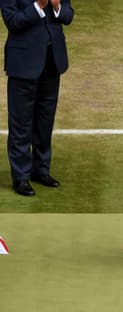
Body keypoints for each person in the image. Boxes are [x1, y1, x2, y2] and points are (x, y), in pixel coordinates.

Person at [0, 0, 74, 196]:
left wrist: (57, 6)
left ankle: (41, 170)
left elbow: (68, 15)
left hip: (52, 62)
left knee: (45, 121)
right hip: (23, 64)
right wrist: (39, 6)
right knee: (21, 124)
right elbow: (12, 21)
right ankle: (21, 177)